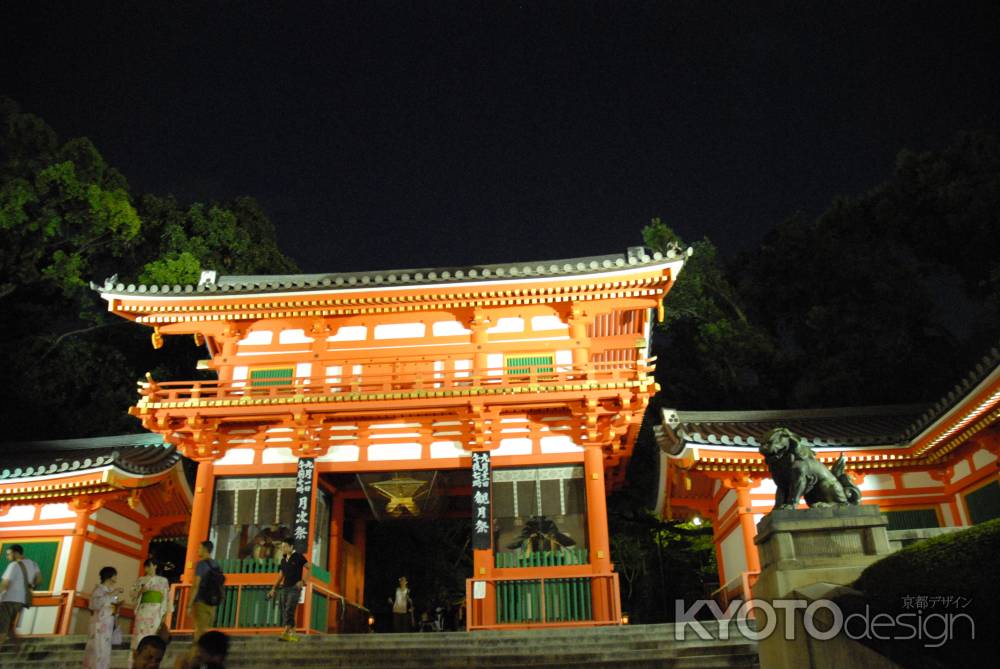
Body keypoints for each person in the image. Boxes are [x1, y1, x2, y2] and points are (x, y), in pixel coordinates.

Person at [128, 558, 172, 667]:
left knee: (153, 638)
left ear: (155, 566)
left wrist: (164, 615)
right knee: (139, 639)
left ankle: (151, 663)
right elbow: (132, 594)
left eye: (150, 566)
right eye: (146, 567)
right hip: (143, 611)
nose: (147, 568)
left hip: (156, 612)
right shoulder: (141, 580)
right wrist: (140, 591)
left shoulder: (163, 581)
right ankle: (136, 663)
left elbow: (166, 598)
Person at [83, 566, 123, 669]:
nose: (116, 577)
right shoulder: (99, 589)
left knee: (105, 650)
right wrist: (111, 594)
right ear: (109, 576)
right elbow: (95, 604)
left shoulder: (111, 590)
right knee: (97, 649)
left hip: (109, 623)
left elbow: (113, 607)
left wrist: (117, 610)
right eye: (115, 575)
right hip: (99, 623)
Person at [268, 538, 307, 642]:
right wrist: (273, 589)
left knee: (289, 608)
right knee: (284, 610)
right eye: (282, 547)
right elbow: (281, 575)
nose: (283, 549)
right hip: (285, 588)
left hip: (295, 588)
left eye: (285, 547)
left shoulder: (299, 557)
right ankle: (291, 633)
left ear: (291, 547)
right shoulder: (283, 560)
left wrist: (303, 581)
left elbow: (309, 568)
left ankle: (287, 632)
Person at [0, 544, 40, 645]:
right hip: (21, 600)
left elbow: (5, 583)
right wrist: (29, 587)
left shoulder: (13, 565)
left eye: (9, 554)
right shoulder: (33, 564)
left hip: (8, 600)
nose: (7, 557)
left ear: (16, 553)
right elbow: (39, 579)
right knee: (10, 627)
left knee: (2, 628)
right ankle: (17, 647)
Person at [189, 541, 223, 641]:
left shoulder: (201, 564)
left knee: (199, 631)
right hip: (212, 602)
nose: (198, 550)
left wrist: (189, 604)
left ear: (205, 549)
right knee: (208, 630)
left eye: (200, 548)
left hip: (201, 601)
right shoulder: (216, 565)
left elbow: (196, 585)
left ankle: (198, 648)